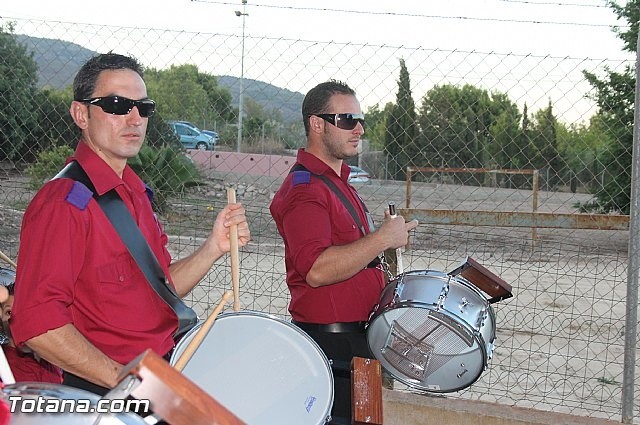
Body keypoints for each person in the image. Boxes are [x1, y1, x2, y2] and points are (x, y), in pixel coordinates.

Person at [10, 53, 250, 396]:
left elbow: (161, 290)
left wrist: (213, 248)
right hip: (109, 394)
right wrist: (125, 381)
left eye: (143, 107)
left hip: (162, 365)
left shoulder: (134, 194)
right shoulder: (63, 205)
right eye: (117, 104)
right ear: (81, 114)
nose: (135, 118)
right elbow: (38, 326)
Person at [269, 80, 418, 423]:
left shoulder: (336, 183)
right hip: (333, 349)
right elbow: (317, 269)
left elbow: (355, 256)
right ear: (317, 124)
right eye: (347, 119)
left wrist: (385, 241)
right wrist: (381, 239)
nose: (359, 129)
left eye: (360, 119)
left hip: (356, 341)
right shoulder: (305, 190)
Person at [0, 268, 62, 384]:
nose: (16, 317)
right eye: (9, 312)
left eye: (21, 311)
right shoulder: (3, 362)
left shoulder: (50, 358)